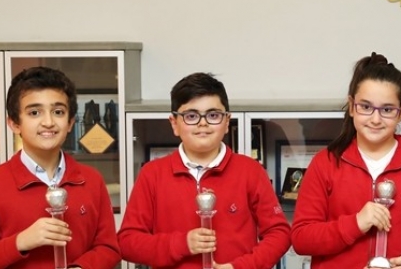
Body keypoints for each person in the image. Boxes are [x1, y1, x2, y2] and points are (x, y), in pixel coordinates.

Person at [291, 52, 401, 269]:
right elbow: (301, 238)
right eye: (365, 107)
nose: (375, 119)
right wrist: (356, 223)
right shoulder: (325, 163)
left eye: (387, 110)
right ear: (352, 106)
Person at [118, 72, 291, 268]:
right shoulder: (152, 174)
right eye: (191, 116)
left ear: (227, 122)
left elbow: (279, 233)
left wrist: (241, 266)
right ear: (174, 124)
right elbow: (127, 242)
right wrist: (181, 244)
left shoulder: (250, 171)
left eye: (213, 115)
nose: (203, 123)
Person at [0, 66, 121, 269]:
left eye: (58, 112)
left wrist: (80, 268)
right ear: (14, 124)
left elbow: (109, 248)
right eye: (34, 112)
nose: (48, 122)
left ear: (70, 122)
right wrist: (20, 242)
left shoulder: (92, 180)